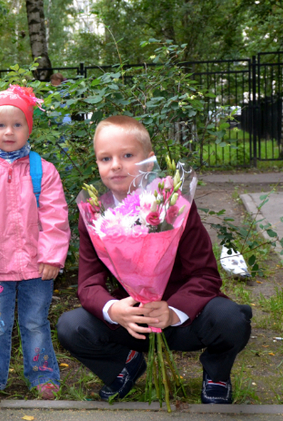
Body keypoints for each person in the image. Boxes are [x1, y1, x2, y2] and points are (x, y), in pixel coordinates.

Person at [57, 115, 252, 404]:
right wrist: (115, 310)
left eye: (127, 155)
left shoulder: (174, 204)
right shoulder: (94, 215)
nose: (116, 165)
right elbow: (88, 285)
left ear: (149, 161)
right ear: (97, 164)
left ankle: (217, 374)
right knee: (70, 326)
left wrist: (173, 311)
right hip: (133, 322)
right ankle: (125, 365)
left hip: (184, 320)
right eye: (105, 158)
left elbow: (206, 275)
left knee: (231, 320)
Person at [0, 85, 71, 400]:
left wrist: (51, 257)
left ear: (28, 127)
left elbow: (55, 217)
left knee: (35, 322)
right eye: (1, 125)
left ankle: (43, 376)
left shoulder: (43, 170)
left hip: (38, 267)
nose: (9, 132)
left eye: (17, 124)